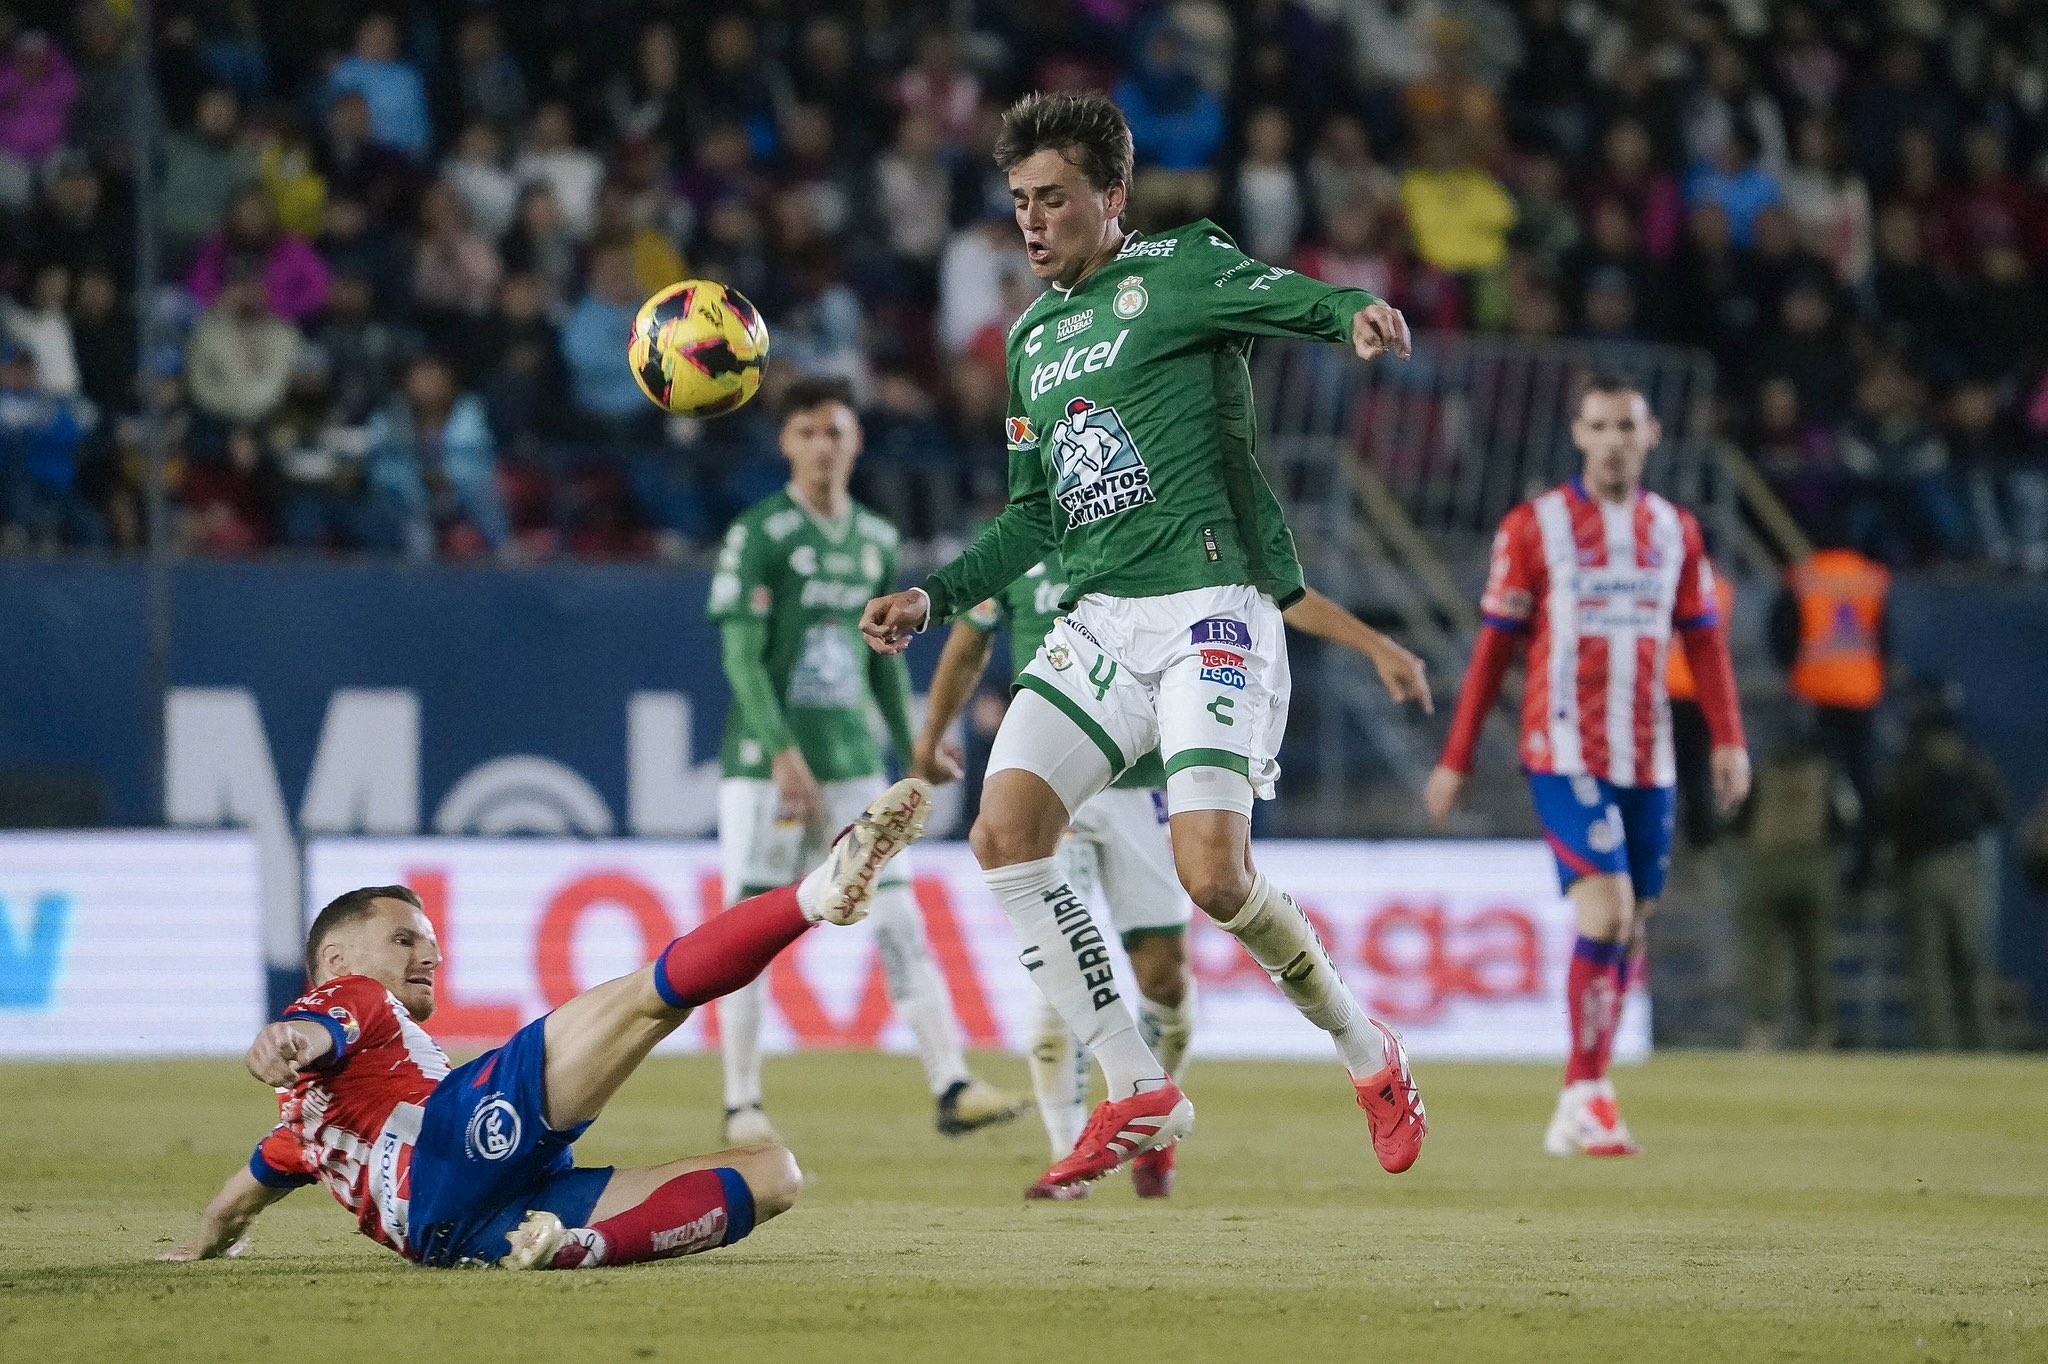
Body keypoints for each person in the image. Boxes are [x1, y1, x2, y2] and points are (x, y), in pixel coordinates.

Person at [860, 92, 1427, 1192]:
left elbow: (1290, 297)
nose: (1032, 223)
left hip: (1211, 603)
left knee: (1212, 877)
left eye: (1054, 199)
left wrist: (1352, 309)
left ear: (1109, 198)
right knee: (1004, 832)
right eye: (1019, 202)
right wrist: (932, 597)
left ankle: (1369, 1050)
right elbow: (1033, 514)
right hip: (1099, 619)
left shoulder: (1178, 268)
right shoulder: (1029, 339)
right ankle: (1133, 1084)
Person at [161, 779, 934, 1269]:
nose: (427, 957)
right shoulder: (356, 998)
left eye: (432, 945)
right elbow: (314, 1031)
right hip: (447, 1144)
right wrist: (287, 1039)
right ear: (336, 958)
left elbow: (240, 1198)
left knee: (775, 1176)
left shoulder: (308, 1133)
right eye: (405, 940)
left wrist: (203, 1243)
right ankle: (813, 897)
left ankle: (579, 1246)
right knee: (646, 999)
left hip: (455, 1235)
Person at [913, 547, 1432, 1200]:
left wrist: (1374, 644)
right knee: (1048, 983)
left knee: (1170, 977)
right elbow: (967, 643)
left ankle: (1162, 1120)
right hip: (1063, 783)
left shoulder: (1173, 526)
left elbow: (1287, 586)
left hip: (1149, 788)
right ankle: (1071, 1153)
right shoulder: (1027, 542)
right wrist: (931, 733)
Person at [1426, 373, 1751, 1157]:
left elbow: (1704, 642)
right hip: (1565, 746)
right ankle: (1587, 1091)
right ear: (1577, 435)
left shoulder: (1677, 531)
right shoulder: (1534, 528)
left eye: (1626, 427)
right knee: (1605, 912)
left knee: (1632, 923)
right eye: (1599, 426)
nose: (1613, 441)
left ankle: (1584, 1096)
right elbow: (1494, 650)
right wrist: (1458, 755)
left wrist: (1731, 738)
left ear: (1652, 437)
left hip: (1651, 754)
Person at [711, 376, 1022, 1146]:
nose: (824, 445)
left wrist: (917, 747)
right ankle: (741, 1099)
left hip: (853, 764)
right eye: (809, 431)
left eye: (837, 431)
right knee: (748, 928)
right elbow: (740, 657)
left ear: (856, 441)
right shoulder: (759, 533)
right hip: (768, 767)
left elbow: (885, 662)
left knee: (900, 917)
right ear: (787, 443)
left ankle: (952, 1083)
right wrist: (781, 751)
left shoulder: (878, 540)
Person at [1880, 685, 2008, 1050]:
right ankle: (1983, 1044)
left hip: (1921, 869)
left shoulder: (1910, 761)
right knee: (1972, 961)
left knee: (1929, 965)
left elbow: (1889, 812)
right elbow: (1997, 808)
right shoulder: (1971, 759)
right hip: (1964, 865)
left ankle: (1939, 1049)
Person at [1735, 724, 1845, 1050]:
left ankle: (1763, 1029)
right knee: (1814, 956)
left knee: (1764, 955)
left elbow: (1738, 818)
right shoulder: (1825, 774)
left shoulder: (1763, 771)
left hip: (1765, 869)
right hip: (1813, 869)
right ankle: (1819, 1031)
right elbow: (1844, 821)